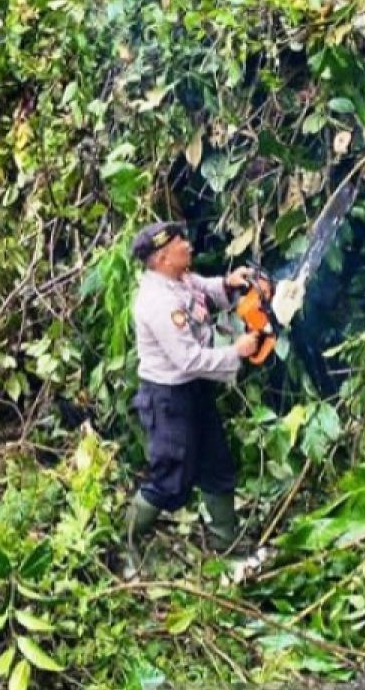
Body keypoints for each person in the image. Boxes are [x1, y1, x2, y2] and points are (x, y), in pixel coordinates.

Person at [124, 221, 260, 556]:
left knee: (217, 462)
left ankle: (224, 540)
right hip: (168, 398)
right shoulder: (157, 302)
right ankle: (124, 542)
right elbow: (187, 359)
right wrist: (236, 352)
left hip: (195, 391)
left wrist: (228, 284)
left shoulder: (180, 278)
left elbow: (203, 289)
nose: (188, 245)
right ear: (162, 258)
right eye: (179, 243)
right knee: (170, 478)